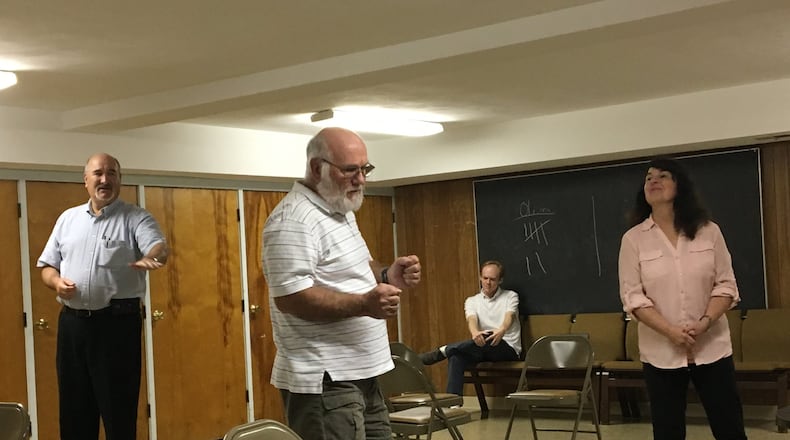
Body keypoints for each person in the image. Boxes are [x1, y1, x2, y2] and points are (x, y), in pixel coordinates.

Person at [261, 127, 422, 440]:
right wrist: (364, 304)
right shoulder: (293, 220)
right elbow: (292, 298)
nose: (360, 179)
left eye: (365, 169)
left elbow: (357, 268)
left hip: (363, 372)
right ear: (316, 168)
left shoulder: (340, 209)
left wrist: (388, 275)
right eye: (350, 170)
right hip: (326, 380)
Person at [37, 153, 168, 440]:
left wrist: (153, 256)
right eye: (98, 173)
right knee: (73, 412)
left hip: (116, 327)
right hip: (73, 327)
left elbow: (158, 247)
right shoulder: (67, 219)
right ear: (86, 181)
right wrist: (56, 283)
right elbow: (47, 266)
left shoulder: (136, 218)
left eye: (112, 173)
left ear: (120, 180)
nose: (105, 179)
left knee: (117, 412)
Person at [618, 157, 747, 440]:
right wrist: (671, 332)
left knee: (730, 428)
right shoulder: (633, 239)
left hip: (712, 346)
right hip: (660, 352)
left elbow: (726, 286)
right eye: (649, 177)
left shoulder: (709, 231)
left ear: (680, 186)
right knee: (668, 431)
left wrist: (704, 323)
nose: (653, 181)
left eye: (663, 176)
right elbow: (633, 297)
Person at [420, 260, 521, 396]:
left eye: (492, 279)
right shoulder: (472, 301)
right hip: (482, 348)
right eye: (485, 278)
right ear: (480, 277)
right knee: (456, 356)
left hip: (507, 348)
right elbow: (471, 319)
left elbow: (510, 316)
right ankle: (453, 403)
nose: (488, 283)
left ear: (500, 280)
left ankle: (444, 350)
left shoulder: (511, 296)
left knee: (489, 336)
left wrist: (502, 329)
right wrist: (474, 333)